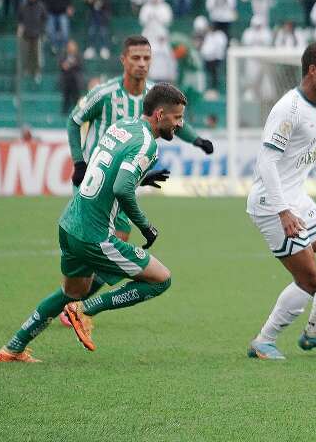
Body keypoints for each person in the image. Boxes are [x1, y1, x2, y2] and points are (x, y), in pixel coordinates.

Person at [0, 83, 186, 362]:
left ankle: (13, 347)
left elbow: (106, 166)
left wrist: (139, 178)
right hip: (94, 236)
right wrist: (145, 225)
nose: (180, 124)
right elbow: (122, 188)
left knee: (71, 290)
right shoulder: (148, 145)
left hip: (70, 223)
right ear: (159, 114)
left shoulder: (122, 126)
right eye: (177, 117)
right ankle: (85, 309)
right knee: (161, 279)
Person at [60, 35, 213, 326]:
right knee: (106, 247)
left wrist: (197, 140)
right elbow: (74, 120)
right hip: (97, 180)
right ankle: (75, 305)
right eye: (136, 58)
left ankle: (77, 305)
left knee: (115, 242)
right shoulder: (105, 93)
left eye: (146, 58)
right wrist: (79, 161)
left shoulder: (156, 93)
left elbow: (175, 121)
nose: (142, 64)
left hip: (123, 180)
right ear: (123, 60)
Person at [246, 42, 316, 360]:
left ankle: (315, 330)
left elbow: (302, 144)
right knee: (309, 279)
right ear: (313, 70)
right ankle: (263, 341)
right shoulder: (288, 108)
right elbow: (267, 162)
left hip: (296, 197)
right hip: (272, 203)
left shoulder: (313, 105)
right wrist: (283, 211)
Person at [59, 39, 83, 114]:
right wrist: (67, 65)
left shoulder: (78, 56)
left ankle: (77, 113)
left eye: (72, 46)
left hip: (75, 81)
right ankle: (64, 111)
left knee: (76, 97)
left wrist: (70, 65)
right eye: (69, 46)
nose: (71, 48)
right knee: (66, 98)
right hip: (66, 80)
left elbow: (79, 65)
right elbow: (62, 66)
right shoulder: (63, 56)